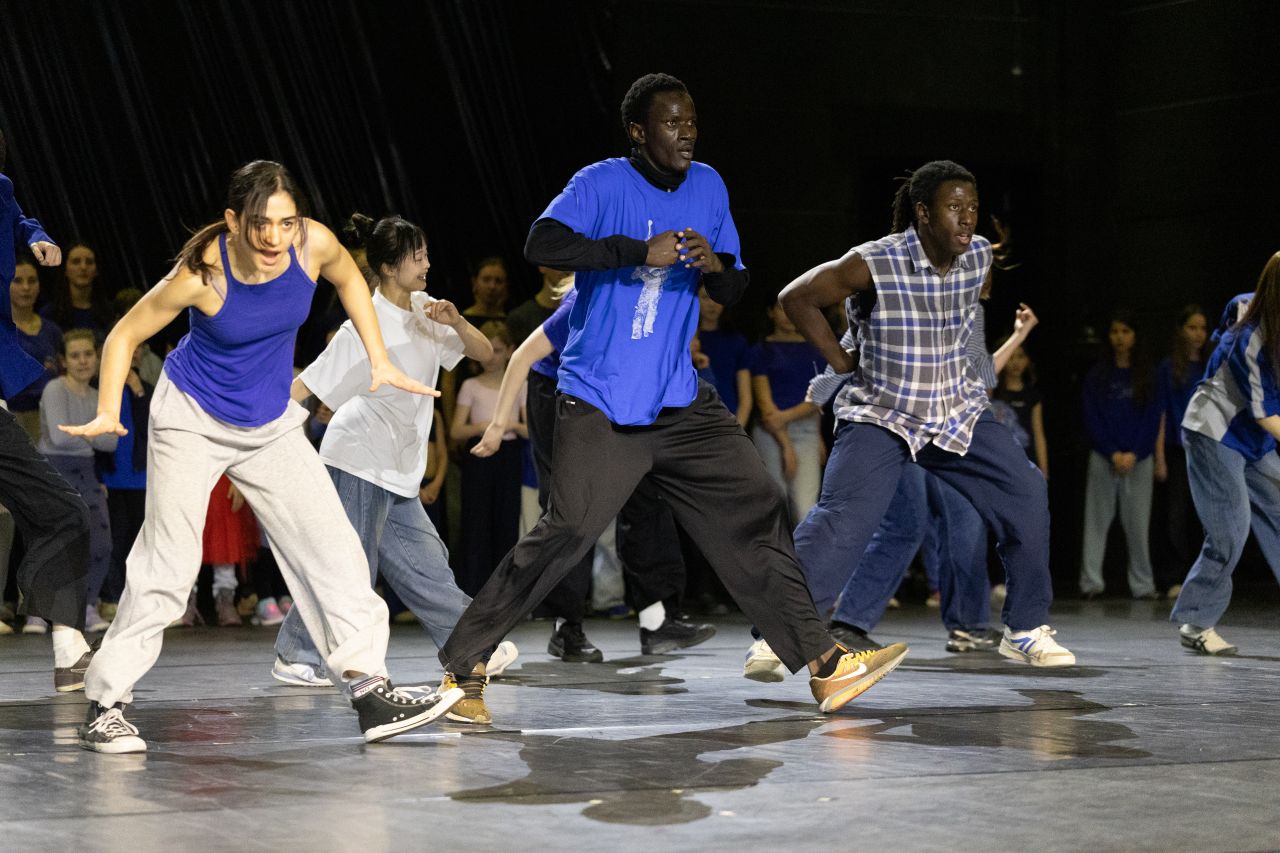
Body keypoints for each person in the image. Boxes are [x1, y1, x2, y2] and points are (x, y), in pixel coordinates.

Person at [437, 72, 907, 717]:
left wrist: (715, 265)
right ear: (638, 131)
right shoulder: (601, 182)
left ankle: (824, 663)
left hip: (678, 401)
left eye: (691, 123)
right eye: (671, 123)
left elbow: (734, 286)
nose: (686, 134)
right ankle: (463, 664)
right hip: (599, 399)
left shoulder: (709, 185)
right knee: (567, 530)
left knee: (756, 501)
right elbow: (541, 242)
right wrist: (639, 250)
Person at [62, 161, 461, 753]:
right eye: (259, 224)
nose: (275, 237)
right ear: (233, 221)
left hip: (269, 420)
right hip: (193, 417)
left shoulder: (312, 243)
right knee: (168, 568)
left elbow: (350, 281)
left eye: (286, 222)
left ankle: (369, 689)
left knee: (334, 549)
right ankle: (106, 702)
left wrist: (379, 358)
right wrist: (106, 408)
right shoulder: (202, 273)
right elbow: (123, 334)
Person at [782, 159, 1075, 668]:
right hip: (883, 412)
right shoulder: (874, 261)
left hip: (955, 412)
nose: (968, 218)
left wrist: (998, 343)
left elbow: (972, 333)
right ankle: (785, 627)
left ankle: (1025, 627)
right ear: (922, 213)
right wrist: (840, 361)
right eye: (954, 207)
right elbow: (796, 298)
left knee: (1027, 491)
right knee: (847, 517)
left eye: (973, 208)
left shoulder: (977, 256)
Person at [272, 213, 516, 723]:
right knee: (348, 568)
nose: (427, 263)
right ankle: (297, 655)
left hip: (400, 466)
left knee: (426, 564)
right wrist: (256, 436)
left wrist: (457, 322)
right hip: (357, 458)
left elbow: (483, 352)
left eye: (426, 253)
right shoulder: (364, 322)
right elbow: (307, 387)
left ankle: (474, 646)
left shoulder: (428, 310)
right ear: (388, 267)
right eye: (416, 256)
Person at [473, 282, 713, 660]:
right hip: (559, 392)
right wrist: (498, 424)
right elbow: (521, 356)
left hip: (618, 393)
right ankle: (565, 626)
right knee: (572, 509)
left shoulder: (659, 297)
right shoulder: (587, 301)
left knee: (646, 492)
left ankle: (656, 620)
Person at [0, 127, 94, 691]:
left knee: (59, 511)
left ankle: (68, 647)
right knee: (62, 511)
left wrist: (38, 237)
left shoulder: (2, 189)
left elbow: (21, 220)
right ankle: (68, 647)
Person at [1172, 263, 1280, 655]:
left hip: (1253, 440)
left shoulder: (1240, 306)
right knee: (1230, 530)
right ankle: (1196, 621)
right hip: (1216, 431)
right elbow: (1265, 414)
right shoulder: (1252, 334)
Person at [1079, 309, 1164, 599]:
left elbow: (1153, 418)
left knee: (1138, 525)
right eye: (1115, 331)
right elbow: (1092, 417)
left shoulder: (1148, 375)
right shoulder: (1097, 375)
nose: (1120, 338)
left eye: (1125, 332)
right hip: (1104, 457)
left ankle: (1143, 585)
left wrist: (1135, 453)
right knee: (1096, 521)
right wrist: (1112, 452)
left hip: (1138, 459)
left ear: (1135, 336)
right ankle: (1091, 583)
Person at [38, 329, 116, 632]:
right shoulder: (55, 389)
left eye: (88, 354)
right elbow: (59, 437)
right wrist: (94, 432)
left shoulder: (99, 397)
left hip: (86, 470)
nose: (83, 361)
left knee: (101, 543)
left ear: (96, 357)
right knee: (56, 544)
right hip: (54, 469)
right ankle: (41, 611)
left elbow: (111, 442)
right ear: (63, 361)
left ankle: (88, 605)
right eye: (75, 356)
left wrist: (82, 433)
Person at [452, 321, 527, 596]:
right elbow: (456, 431)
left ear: (510, 350)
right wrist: (483, 426)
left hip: (509, 455)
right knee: (476, 521)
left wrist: (508, 425)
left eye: (497, 350)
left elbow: (531, 429)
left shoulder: (520, 385)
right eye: (487, 350)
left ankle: (504, 591)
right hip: (479, 456)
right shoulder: (471, 385)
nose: (491, 357)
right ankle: (472, 589)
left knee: (507, 521)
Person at [749, 300, 824, 525]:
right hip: (770, 432)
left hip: (807, 430)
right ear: (771, 312)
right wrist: (786, 446)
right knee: (774, 505)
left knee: (806, 507)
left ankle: (802, 550)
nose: (788, 314)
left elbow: (819, 397)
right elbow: (765, 405)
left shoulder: (816, 349)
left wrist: (818, 435)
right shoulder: (761, 350)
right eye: (781, 308)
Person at [1154, 304, 1209, 598]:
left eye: (1202, 328)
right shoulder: (1169, 367)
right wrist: (1160, 456)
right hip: (1177, 449)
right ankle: (1173, 576)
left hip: (1206, 451)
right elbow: (1161, 412)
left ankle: (1203, 578)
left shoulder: (1211, 365)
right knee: (1174, 515)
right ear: (1181, 330)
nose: (1198, 334)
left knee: (1203, 515)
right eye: (1192, 327)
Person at [8, 253, 63, 441]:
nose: (26, 287)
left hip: (56, 414)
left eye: (32, 281)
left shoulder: (52, 330)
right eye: (17, 281)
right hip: (15, 418)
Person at [42, 241, 113, 341]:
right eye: (76, 262)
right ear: (65, 269)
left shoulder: (110, 312)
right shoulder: (50, 314)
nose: (83, 267)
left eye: (89, 262)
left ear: (96, 270)